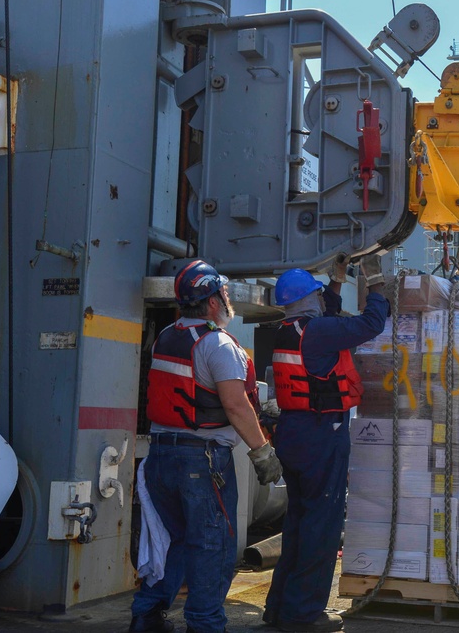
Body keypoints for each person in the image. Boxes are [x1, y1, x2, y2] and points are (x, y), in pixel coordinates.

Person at [130, 260, 283, 633]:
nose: (227, 298)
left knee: (170, 541)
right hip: (202, 460)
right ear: (212, 302)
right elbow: (234, 405)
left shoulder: (168, 335)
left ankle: (147, 617)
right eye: (223, 293)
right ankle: (204, 624)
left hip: (160, 456)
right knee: (213, 545)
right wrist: (263, 452)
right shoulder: (218, 344)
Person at [262, 253, 389, 633]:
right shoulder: (317, 333)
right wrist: (375, 280)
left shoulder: (289, 329)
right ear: (308, 299)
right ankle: (304, 614)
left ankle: (280, 609)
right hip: (321, 435)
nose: (322, 300)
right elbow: (371, 322)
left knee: (299, 523)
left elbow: (327, 315)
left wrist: (335, 281)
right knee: (322, 526)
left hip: (293, 433)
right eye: (318, 295)